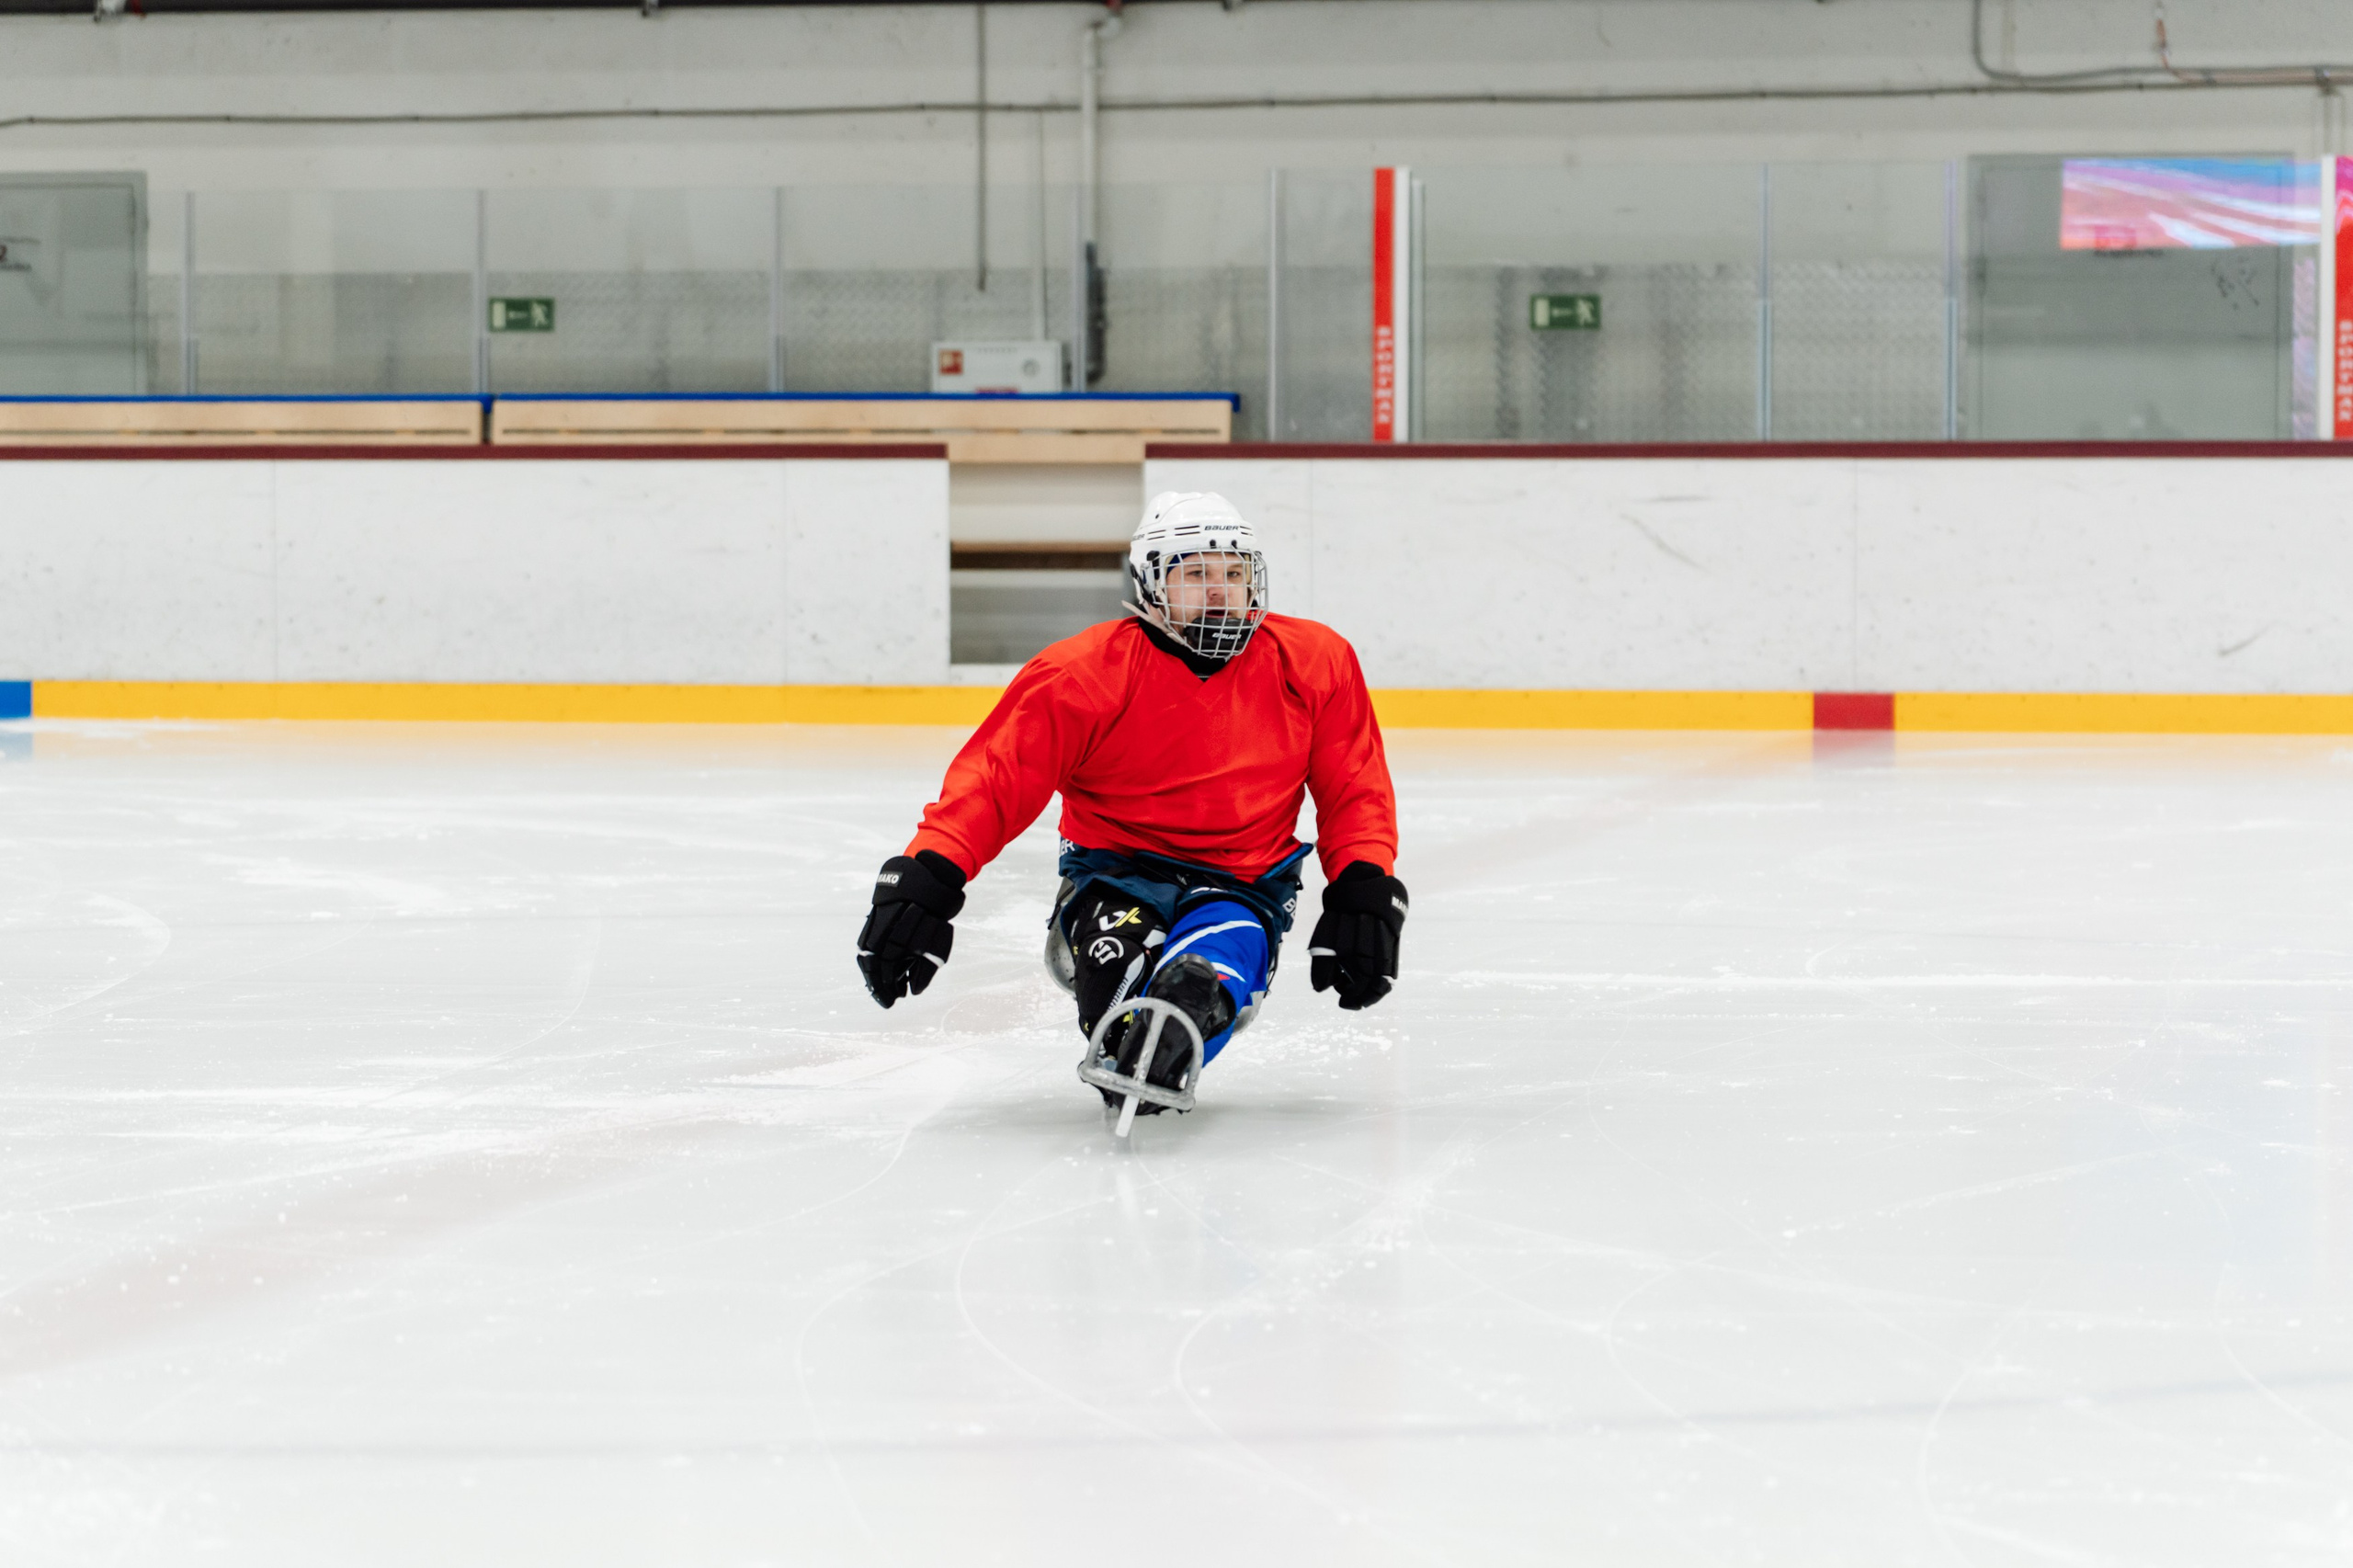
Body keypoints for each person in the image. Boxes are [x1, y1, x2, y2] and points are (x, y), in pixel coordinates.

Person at [855, 491, 1407, 1117]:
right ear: (1150, 582)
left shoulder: (1315, 663)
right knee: (1116, 973)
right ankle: (1126, 1027)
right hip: (1114, 878)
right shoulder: (1081, 674)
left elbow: (1355, 786)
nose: (1221, 593)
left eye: (1234, 574)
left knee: (1206, 978)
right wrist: (928, 877)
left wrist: (1364, 883)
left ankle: (1186, 1022)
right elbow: (995, 781)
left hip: (1243, 884)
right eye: (1196, 574)